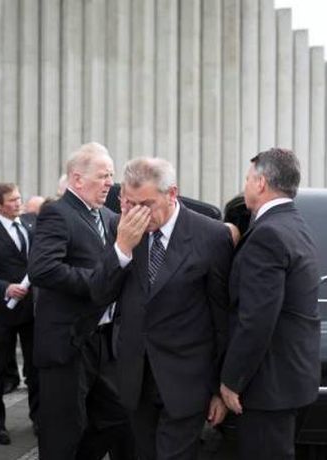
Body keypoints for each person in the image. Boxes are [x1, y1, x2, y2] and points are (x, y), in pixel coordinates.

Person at [90, 157, 232, 460]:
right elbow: (99, 293)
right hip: (135, 378)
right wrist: (122, 249)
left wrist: (219, 388)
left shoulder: (211, 235)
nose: (137, 212)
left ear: (172, 194)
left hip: (187, 380)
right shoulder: (121, 226)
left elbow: (222, 318)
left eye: (146, 204)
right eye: (129, 203)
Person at [28, 142, 134, 460]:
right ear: (77, 179)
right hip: (68, 343)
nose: (109, 183)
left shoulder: (108, 216)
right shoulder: (57, 213)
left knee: (116, 417)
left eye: (111, 176)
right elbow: (42, 269)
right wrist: (97, 282)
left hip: (103, 341)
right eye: (103, 176)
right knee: (63, 432)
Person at [220, 148, 321, 460]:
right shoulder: (296, 225)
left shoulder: (268, 234)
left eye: (247, 179)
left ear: (261, 183)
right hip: (293, 381)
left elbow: (256, 319)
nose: (245, 185)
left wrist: (232, 380)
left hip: (268, 387)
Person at [0, 183, 39, 445]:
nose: (18, 203)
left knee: (35, 367)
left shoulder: (30, 225)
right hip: (2, 311)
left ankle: (39, 418)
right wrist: (5, 288)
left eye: (19, 198)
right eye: (12, 200)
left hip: (32, 310)